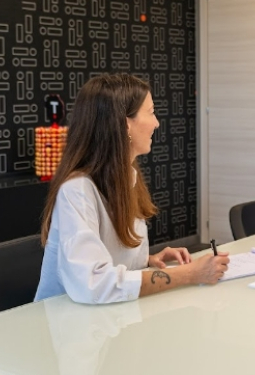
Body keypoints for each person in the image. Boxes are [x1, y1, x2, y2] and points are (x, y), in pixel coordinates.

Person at [35, 73, 229, 304]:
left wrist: (145, 260)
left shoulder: (125, 177)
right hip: (68, 325)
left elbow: (107, 258)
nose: (156, 123)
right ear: (126, 124)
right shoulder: (77, 190)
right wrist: (189, 273)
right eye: (151, 112)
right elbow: (94, 284)